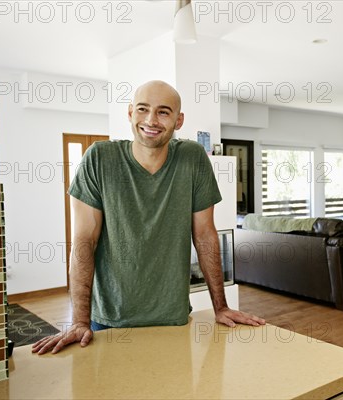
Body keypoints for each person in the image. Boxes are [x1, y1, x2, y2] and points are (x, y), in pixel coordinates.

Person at [32, 80, 265, 355]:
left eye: (163, 112)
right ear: (130, 113)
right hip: (107, 321)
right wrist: (79, 321)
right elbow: (84, 242)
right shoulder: (99, 158)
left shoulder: (192, 158)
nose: (151, 120)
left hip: (172, 317)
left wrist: (221, 306)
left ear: (179, 121)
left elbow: (205, 235)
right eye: (143, 109)